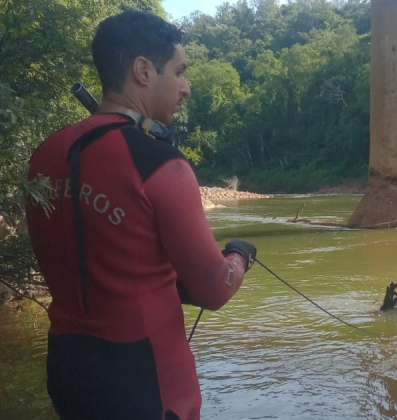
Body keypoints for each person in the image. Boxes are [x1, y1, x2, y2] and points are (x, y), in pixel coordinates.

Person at [24, 10, 256, 420]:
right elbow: (215, 289)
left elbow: (97, 259)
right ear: (143, 71)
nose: (185, 88)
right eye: (180, 72)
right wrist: (239, 254)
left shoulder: (46, 154)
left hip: (67, 368)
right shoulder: (161, 165)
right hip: (148, 381)